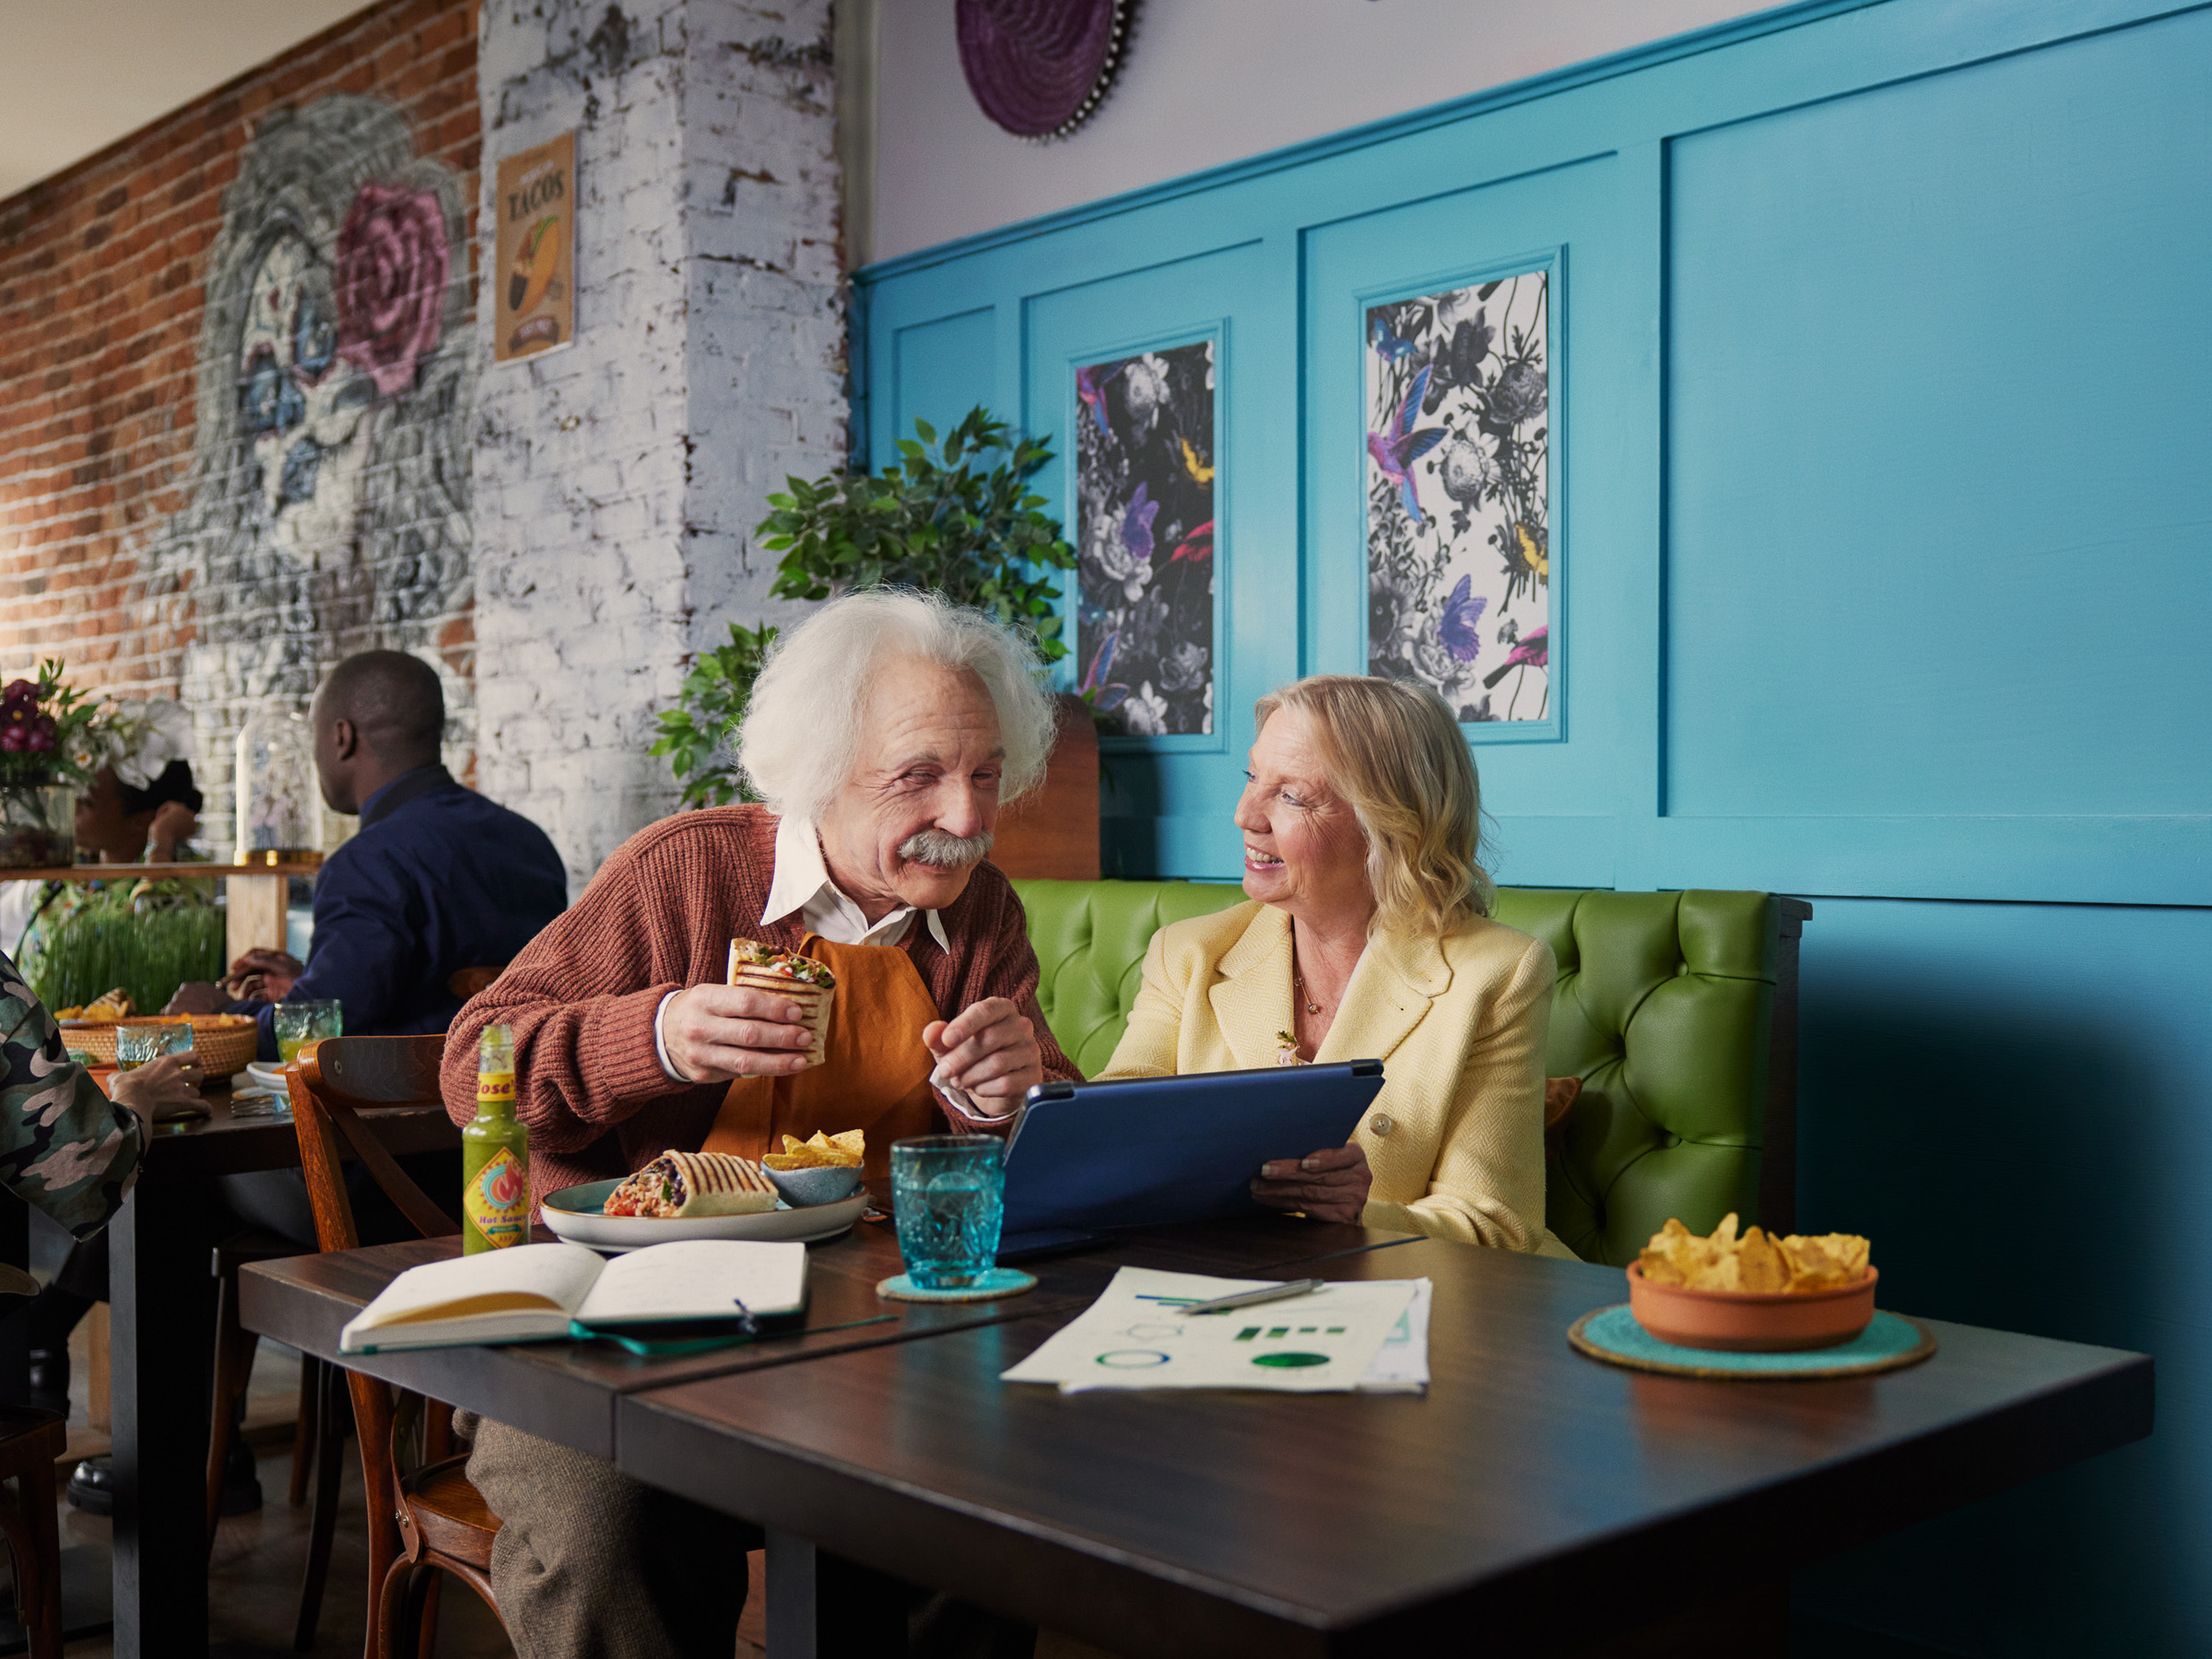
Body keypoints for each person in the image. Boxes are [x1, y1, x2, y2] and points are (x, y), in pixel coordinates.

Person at [440, 589, 1081, 1658]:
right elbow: (475, 1066)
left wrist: (1014, 1093)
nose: (967, 818)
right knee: (613, 1531)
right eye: (919, 775)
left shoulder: (977, 911)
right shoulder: (684, 874)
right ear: (822, 768)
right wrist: (655, 1038)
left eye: (984, 774)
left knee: (973, 1512)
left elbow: (1051, 1125)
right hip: (607, 1327)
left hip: (867, 1326)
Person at [1099, 673, 1576, 1257]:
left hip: (1423, 1302)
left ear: (1392, 826)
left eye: (1291, 795)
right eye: (1252, 778)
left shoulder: (1498, 973)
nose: (1246, 815)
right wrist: (1014, 1100)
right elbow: (1111, 1129)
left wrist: (1355, 1215)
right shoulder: (1188, 954)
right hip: (1228, 1282)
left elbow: (1496, 1227)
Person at [169, 651, 570, 1063]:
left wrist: (218, 1013)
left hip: (401, 1119)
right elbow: (424, 990)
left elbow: (320, 1033)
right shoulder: (528, 841)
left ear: (342, 737)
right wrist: (313, 981)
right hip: (519, 1106)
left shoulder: (366, 862)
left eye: (315, 736)